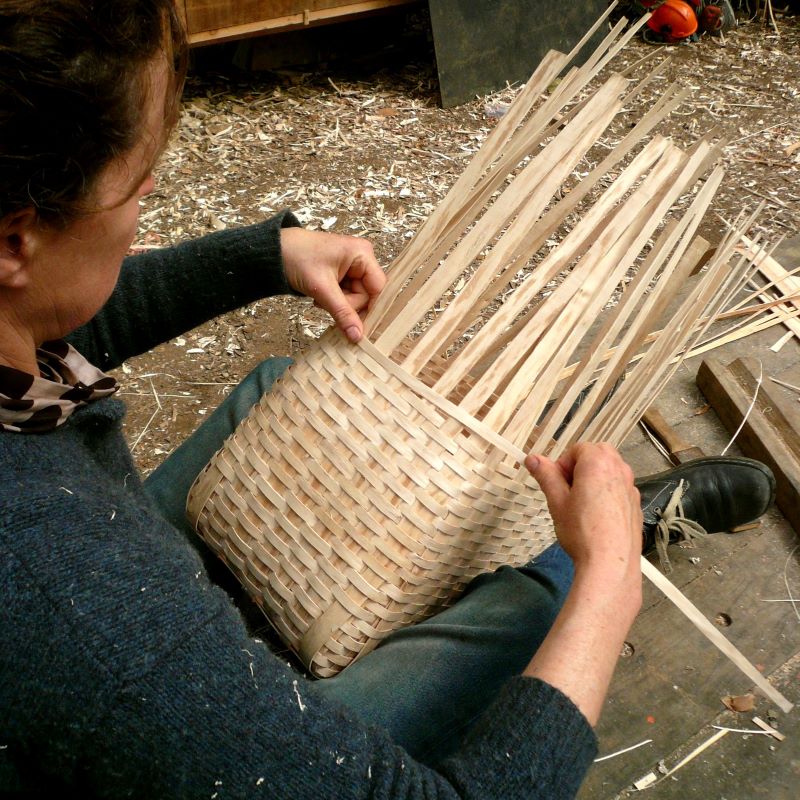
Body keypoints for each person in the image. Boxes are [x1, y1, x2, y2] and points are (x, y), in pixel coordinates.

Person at [0, 3, 775, 798]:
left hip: (87, 584)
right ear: (15, 240)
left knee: (276, 389)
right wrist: (608, 584)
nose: (152, 189)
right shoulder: (83, 619)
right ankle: (615, 533)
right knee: (538, 582)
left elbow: (55, 321)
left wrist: (261, 256)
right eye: (135, 183)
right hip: (103, 668)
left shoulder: (15, 352)